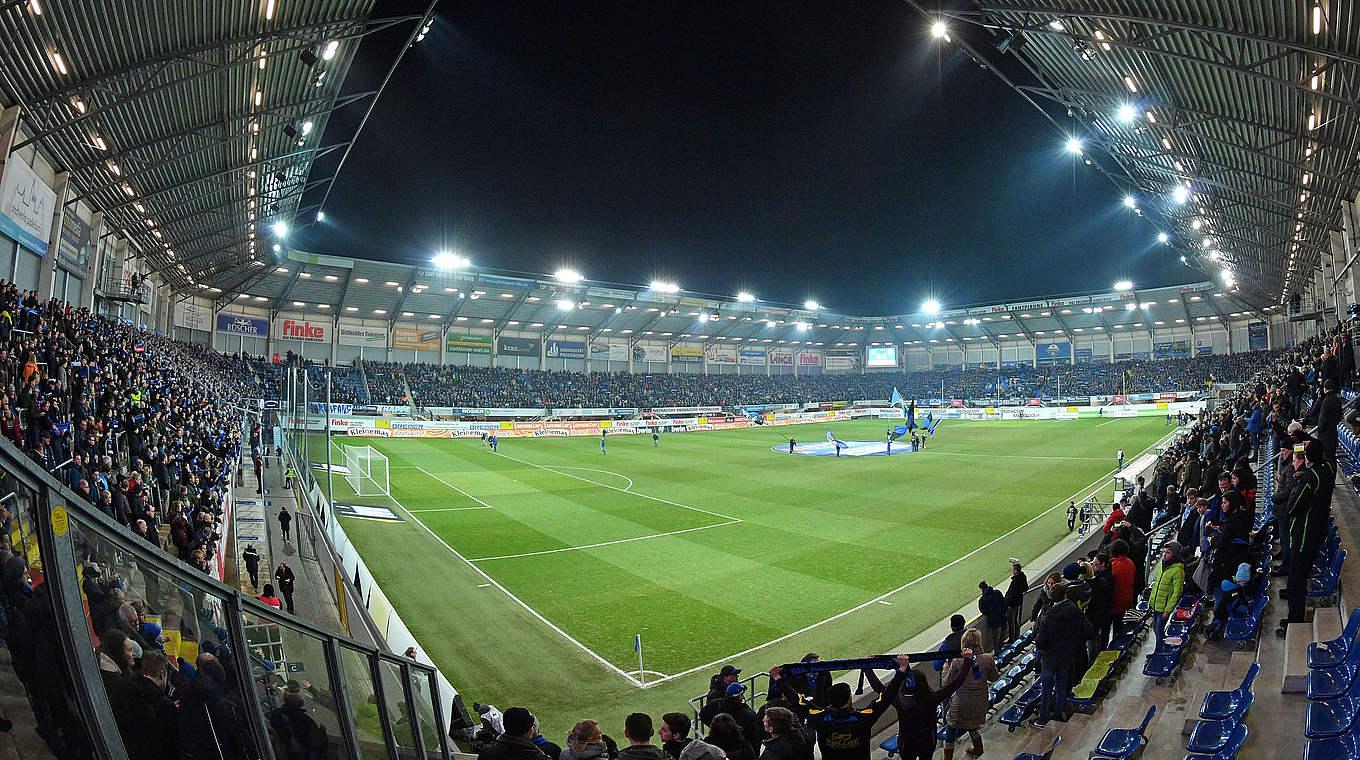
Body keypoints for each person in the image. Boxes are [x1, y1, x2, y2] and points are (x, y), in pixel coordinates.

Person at [769, 654, 911, 760]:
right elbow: (886, 697)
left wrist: (777, 678)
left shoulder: (819, 717)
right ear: (850, 699)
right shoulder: (863, 718)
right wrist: (901, 670)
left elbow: (797, 701)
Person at [864, 650, 975, 760]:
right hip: (927, 741)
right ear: (924, 683)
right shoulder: (933, 698)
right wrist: (968, 661)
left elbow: (880, 689)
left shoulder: (899, 700)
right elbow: (956, 683)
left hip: (906, 742)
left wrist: (868, 669)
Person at [1280, 440, 1334, 637]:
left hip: (1304, 534)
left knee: (1297, 578)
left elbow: (1293, 507)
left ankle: (1295, 619)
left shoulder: (1310, 478)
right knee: (1298, 577)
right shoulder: (1327, 469)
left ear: (1308, 458)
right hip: (1317, 531)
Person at [1030, 582, 1092, 729]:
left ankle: (1043, 719)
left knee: (1046, 689)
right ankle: (1057, 715)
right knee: (1061, 687)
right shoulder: (1075, 611)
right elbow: (1088, 631)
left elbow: (1040, 642)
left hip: (1050, 659)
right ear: (1065, 595)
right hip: (1067, 656)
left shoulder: (1048, 617)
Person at [941, 631, 998, 760]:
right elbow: (994, 677)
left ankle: (947, 757)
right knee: (972, 724)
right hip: (981, 700)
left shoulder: (958, 661)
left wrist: (945, 668)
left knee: (951, 727)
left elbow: (946, 682)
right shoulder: (988, 658)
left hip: (962, 701)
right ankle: (978, 750)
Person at [478, 707, 548, 760]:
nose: (533, 728)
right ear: (526, 733)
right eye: (531, 726)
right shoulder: (537, 757)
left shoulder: (486, 753)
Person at [1148, 542, 1185, 644]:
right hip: (1156, 605)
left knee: (1158, 631)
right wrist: (1151, 602)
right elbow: (1156, 585)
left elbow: (1176, 593)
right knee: (1156, 629)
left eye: (1168, 553)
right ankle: (1159, 649)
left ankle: (1159, 651)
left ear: (1174, 554)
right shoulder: (1162, 565)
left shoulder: (1178, 570)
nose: (1164, 554)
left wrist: (1168, 610)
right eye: (1164, 552)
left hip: (1164, 607)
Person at [976, 581, 1007, 655]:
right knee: (1003, 630)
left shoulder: (983, 599)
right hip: (1002, 615)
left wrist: (990, 613)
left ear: (981, 588)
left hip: (993, 619)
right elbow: (1004, 602)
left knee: (995, 636)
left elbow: (983, 611)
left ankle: (997, 651)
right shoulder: (997, 592)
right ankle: (1001, 646)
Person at [1004, 560, 1028, 644]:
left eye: (1013, 569)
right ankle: (1016, 635)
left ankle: (1012, 639)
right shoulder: (1022, 577)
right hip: (1018, 602)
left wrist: (1006, 601)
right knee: (1015, 620)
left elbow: (1012, 594)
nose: (1012, 570)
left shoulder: (1016, 581)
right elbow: (1025, 588)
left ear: (1015, 570)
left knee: (1011, 621)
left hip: (1013, 603)